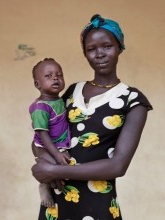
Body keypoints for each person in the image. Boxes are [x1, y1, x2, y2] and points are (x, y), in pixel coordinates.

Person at [31, 14, 153, 219]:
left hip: (99, 204)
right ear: (85, 54)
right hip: (58, 201)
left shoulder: (133, 100)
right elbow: (41, 137)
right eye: (91, 49)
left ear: (119, 47)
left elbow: (118, 165)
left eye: (107, 46)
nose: (99, 54)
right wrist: (43, 159)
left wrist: (54, 171)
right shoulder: (71, 92)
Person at [29, 58, 71, 208]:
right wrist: (56, 153)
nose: (55, 78)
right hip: (44, 146)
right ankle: (44, 186)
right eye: (48, 76)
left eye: (59, 75)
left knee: (64, 170)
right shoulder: (40, 107)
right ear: (37, 84)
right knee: (55, 168)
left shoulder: (59, 100)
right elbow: (42, 133)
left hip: (58, 144)